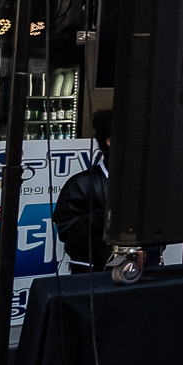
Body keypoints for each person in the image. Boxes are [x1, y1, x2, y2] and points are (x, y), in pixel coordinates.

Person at [53, 110, 114, 272]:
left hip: (143, 272)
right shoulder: (80, 184)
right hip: (93, 275)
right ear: (110, 142)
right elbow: (66, 232)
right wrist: (105, 217)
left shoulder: (148, 183)